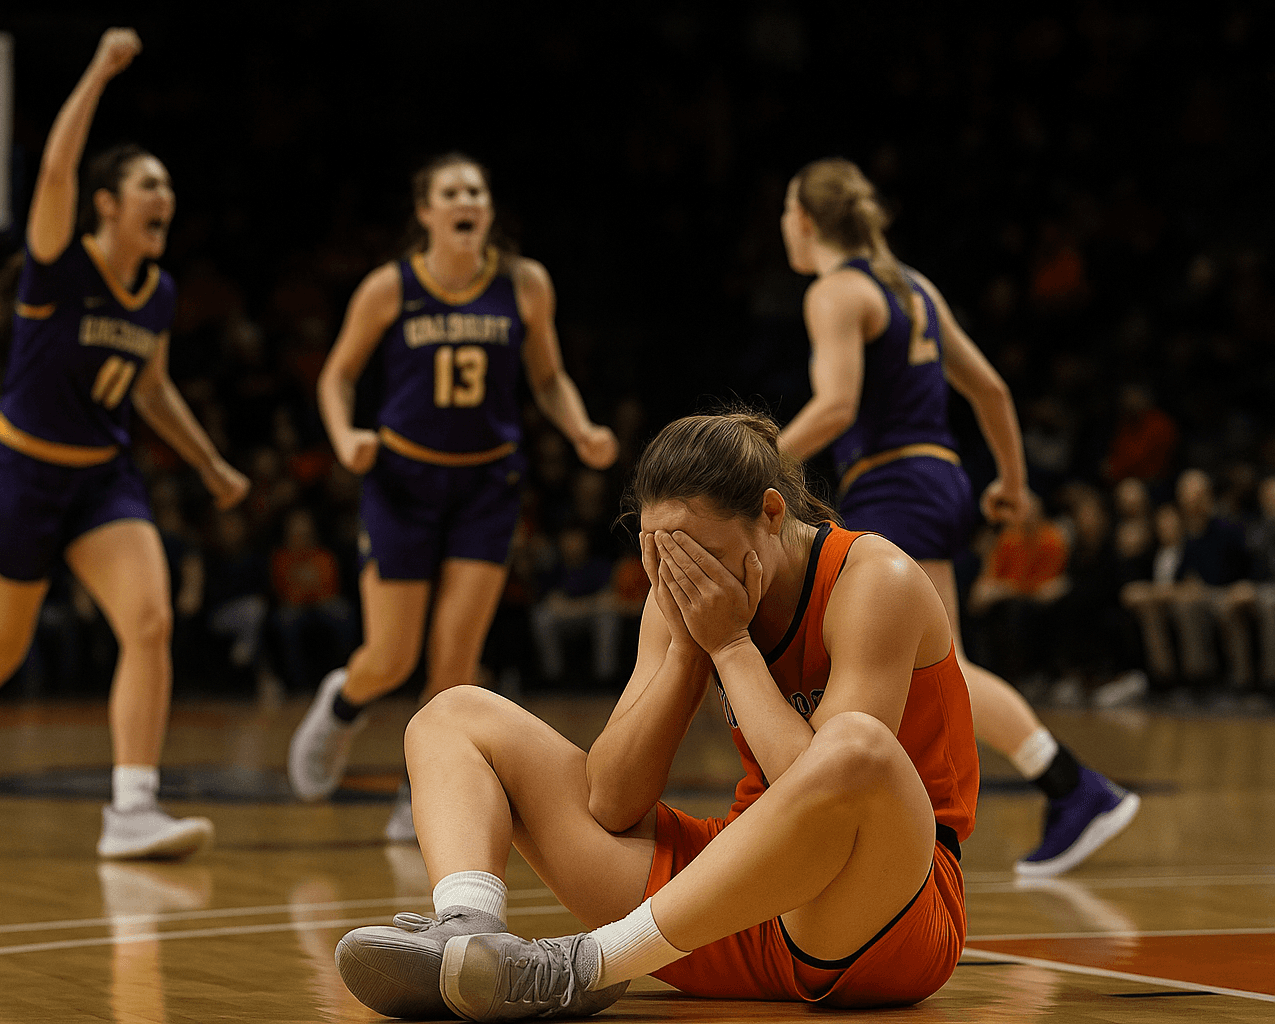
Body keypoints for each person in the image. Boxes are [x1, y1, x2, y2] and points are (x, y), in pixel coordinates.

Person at [333, 411, 977, 1020]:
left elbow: (820, 797)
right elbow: (611, 803)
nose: (680, 572)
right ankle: (466, 938)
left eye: (698, 552)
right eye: (659, 553)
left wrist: (730, 646)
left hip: (876, 918)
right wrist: (687, 657)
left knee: (856, 747)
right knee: (451, 713)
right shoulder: (683, 591)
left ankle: (586, 967)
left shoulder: (876, 580)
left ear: (772, 514)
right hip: (720, 909)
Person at [0, 29, 248, 860]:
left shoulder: (157, 293)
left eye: (169, 186)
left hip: (100, 484)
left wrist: (209, 463)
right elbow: (53, 173)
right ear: (108, 202)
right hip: (16, 476)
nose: (166, 196)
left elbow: (150, 389)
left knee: (149, 621)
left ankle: (131, 809)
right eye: (149, 183)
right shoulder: (58, 268)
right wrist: (99, 70)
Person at [773, 157, 1137, 877]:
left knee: (924, 664)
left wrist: (748, 463)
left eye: (786, 211)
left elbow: (839, 405)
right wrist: (1012, 481)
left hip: (894, 481)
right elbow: (993, 390)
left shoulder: (836, 291)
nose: (783, 225)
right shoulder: (916, 288)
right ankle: (1015, 798)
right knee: (923, 664)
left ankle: (1066, 786)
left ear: (808, 222)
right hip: (938, 474)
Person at [288, 153, 617, 840]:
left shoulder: (525, 284)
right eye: (452, 191)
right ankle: (344, 704)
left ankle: (422, 793)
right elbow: (337, 375)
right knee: (392, 657)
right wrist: (344, 434)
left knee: (455, 661)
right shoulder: (390, 287)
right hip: (403, 481)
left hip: (487, 485)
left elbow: (549, 378)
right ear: (427, 212)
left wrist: (580, 428)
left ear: (488, 210)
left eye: (477, 190)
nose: (467, 199)